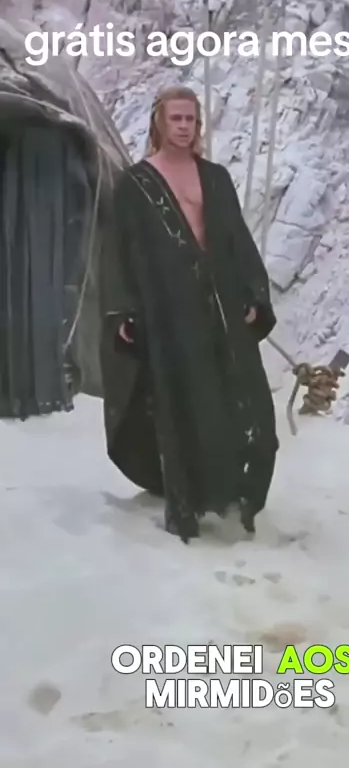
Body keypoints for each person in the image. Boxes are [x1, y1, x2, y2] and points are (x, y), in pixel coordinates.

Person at [99, 86, 279, 543]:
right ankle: (189, 504)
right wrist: (124, 309)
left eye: (191, 119)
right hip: (168, 310)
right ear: (159, 123)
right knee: (184, 405)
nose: (184, 127)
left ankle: (239, 495)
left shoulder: (215, 178)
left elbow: (237, 239)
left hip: (222, 304)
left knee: (249, 404)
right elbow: (119, 252)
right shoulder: (137, 184)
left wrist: (253, 293)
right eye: (175, 118)